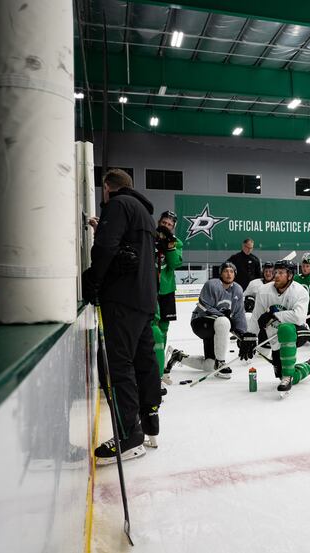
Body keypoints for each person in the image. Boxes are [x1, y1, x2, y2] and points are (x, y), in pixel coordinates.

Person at [81, 168, 160, 463]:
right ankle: (150, 423)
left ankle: (128, 436)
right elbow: (128, 246)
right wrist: (104, 226)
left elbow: (106, 247)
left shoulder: (118, 204)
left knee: (118, 365)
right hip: (143, 298)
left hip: (122, 298)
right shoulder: (143, 212)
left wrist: (93, 279)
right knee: (143, 361)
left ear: (107, 188)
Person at [247, 260, 310, 397]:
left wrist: (273, 314)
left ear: (290, 275)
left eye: (281, 273)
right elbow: (256, 316)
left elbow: (299, 317)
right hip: (274, 334)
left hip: (299, 330)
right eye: (275, 272)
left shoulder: (300, 291)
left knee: (285, 328)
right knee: (285, 373)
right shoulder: (264, 291)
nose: (276, 276)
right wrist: (249, 336)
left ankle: (287, 377)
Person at [185, 261, 251, 379]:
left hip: (217, 329)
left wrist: (242, 334)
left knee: (209, 365)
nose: (229, 274)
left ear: (235, 274)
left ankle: (178, 357)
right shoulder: (212, 285)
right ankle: (221, 362)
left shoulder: (237, 289)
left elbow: (239, 313)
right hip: (200, 322)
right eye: (226, 271)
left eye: (231, 271)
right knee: (224, 321)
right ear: (221, 273)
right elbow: (203, 306)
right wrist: (221, 315)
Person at [153, 211, 183, 385]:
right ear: (159, 222)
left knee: (163, 328)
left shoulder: (176, 242)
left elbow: (175, 264)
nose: (166, 225)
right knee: (152, 328)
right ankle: (151, 366)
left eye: (169, 224)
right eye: (164, 222)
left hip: (166, 290)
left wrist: (169, 246)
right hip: (150, 290)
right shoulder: (149, 237)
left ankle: (160, 365)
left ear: (173, 227)